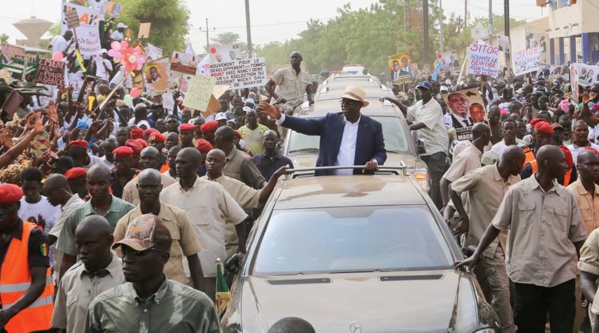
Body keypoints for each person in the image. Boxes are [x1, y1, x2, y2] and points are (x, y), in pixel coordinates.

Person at [456, 145, 587, 333]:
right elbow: (495, 225)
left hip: (561, 275)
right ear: (548, 164)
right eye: (562, 162)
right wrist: (477, 254)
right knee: (529, 327)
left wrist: (591, 268)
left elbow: (578, 238)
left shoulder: (567, 197)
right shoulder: (517, 192)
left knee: (563, 327)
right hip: (527, 275)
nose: (567, 166)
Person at [87, 215, 222, 333]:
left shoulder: (196, 306)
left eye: (138, 252)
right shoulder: (103, 306)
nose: (127, 259)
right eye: (125, 250)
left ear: (163, 257)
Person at [449, 146, 525, 333]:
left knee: (495, 290)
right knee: (496, 290)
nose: (523, 168)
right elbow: (453, 188)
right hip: (479, 243)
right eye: (521, 164)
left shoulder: (516, 180)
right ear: (514, 162)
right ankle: (508, 329)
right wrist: (464, 218)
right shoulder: (481, 175)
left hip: (506, 245)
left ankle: (495, 326)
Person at [160, 148, 247, 298]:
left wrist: (241, 250)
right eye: (176, 162)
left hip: (209, 266)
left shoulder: (214, 190)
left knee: (211, 309)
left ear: (196, 166)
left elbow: (239, 218)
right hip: (178, 270)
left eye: (183, 163)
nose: (178, 166)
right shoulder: (166, 194)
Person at [260, 85, 386, 176]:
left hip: (362, 183)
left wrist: (374, 162)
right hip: (328, 183)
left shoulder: (373, 127)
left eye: (349, 103)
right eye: (343, 102)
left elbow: (381, 153)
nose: (344, 105)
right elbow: (305, 125)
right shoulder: (330, 121)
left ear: (359, 105)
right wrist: (280, 117)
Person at [115, 169, 204, 290]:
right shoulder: (126, 222)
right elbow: (117, 260)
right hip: (141, 290)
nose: (148, 191)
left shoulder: (178, 216)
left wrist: (201, 292)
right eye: (144, 187)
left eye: (153, 187)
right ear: (137, 187)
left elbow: (193, 256)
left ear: (161, 187)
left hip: (176, 288)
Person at [203, 149, 287, 255]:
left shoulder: (234, 185)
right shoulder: (198, 185)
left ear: (224, 164)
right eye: (209, 160)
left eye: (216, 160)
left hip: (228, 250)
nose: (212, 163)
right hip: (203, 249)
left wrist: (275, 177)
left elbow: (259, 196)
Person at [56, 164, 135, 278]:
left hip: (119, 277)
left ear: (110, 181)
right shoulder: (76, 215)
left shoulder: (128, 212)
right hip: (84, 278)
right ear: (86, 183)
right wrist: (63, 288)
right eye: (92, 184)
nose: (96, 188)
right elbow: (68, 258)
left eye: (101, 183)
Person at [52, 216, 125, 333]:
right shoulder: (69, 278)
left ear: (109, 241)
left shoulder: (128, 277)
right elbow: (63, 327)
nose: (82, 251)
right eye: (78, 244)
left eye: (89, 244)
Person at [0, 184, 54, 332]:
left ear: (17, 206)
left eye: (5, 208)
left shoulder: (34, 236)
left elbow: (39, 282)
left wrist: (9, 313)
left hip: (33, 324)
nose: (0, 213)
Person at [391, 81, 449, 209]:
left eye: (424, 90)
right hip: (424, 147)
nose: (421, 93)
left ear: (431, 92)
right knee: (426, 178)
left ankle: (436, 208)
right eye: (420, 90)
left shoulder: (435, 106)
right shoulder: (418, 104)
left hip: (436, 146)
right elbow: (408, 111)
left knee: (434, 178)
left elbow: (423, 123)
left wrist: (408, 127)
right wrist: (394, 101)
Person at [42, 174, 85, 282]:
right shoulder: (64, 208)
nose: (47, 199)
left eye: (49, 194)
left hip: (71, 271)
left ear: (60, 191)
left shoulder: (75, 208)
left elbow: (49, 239)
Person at [440, 123, 490, 207]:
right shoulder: (467, 156)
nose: (490, 137)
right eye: (489, 135)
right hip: (464, 207)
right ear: (484, 135)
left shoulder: (481, 154)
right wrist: (446, 206)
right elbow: (444, 181)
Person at [18, 167, 61, 234]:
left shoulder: (53, 205)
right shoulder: (16, 204)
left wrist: (40, 232)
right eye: (26, 188)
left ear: (40, 187)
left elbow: (56, 233)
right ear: (21, 185)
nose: (29, 192)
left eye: (33, 189)